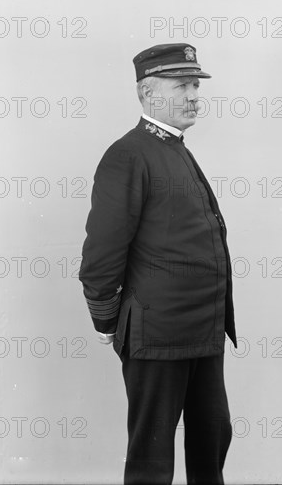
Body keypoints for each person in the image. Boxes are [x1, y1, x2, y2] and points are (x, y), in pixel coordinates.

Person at [79, 43, 237, 485]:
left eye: (195, 85)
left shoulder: (174, 148)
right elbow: (102, 254)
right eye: (181, 85)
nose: (193, 95)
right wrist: (107, 319)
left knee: (212, 440)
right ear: (148, 92)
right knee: (152, 459)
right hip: (157, 332)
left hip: (202, 331)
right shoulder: (128, 154)